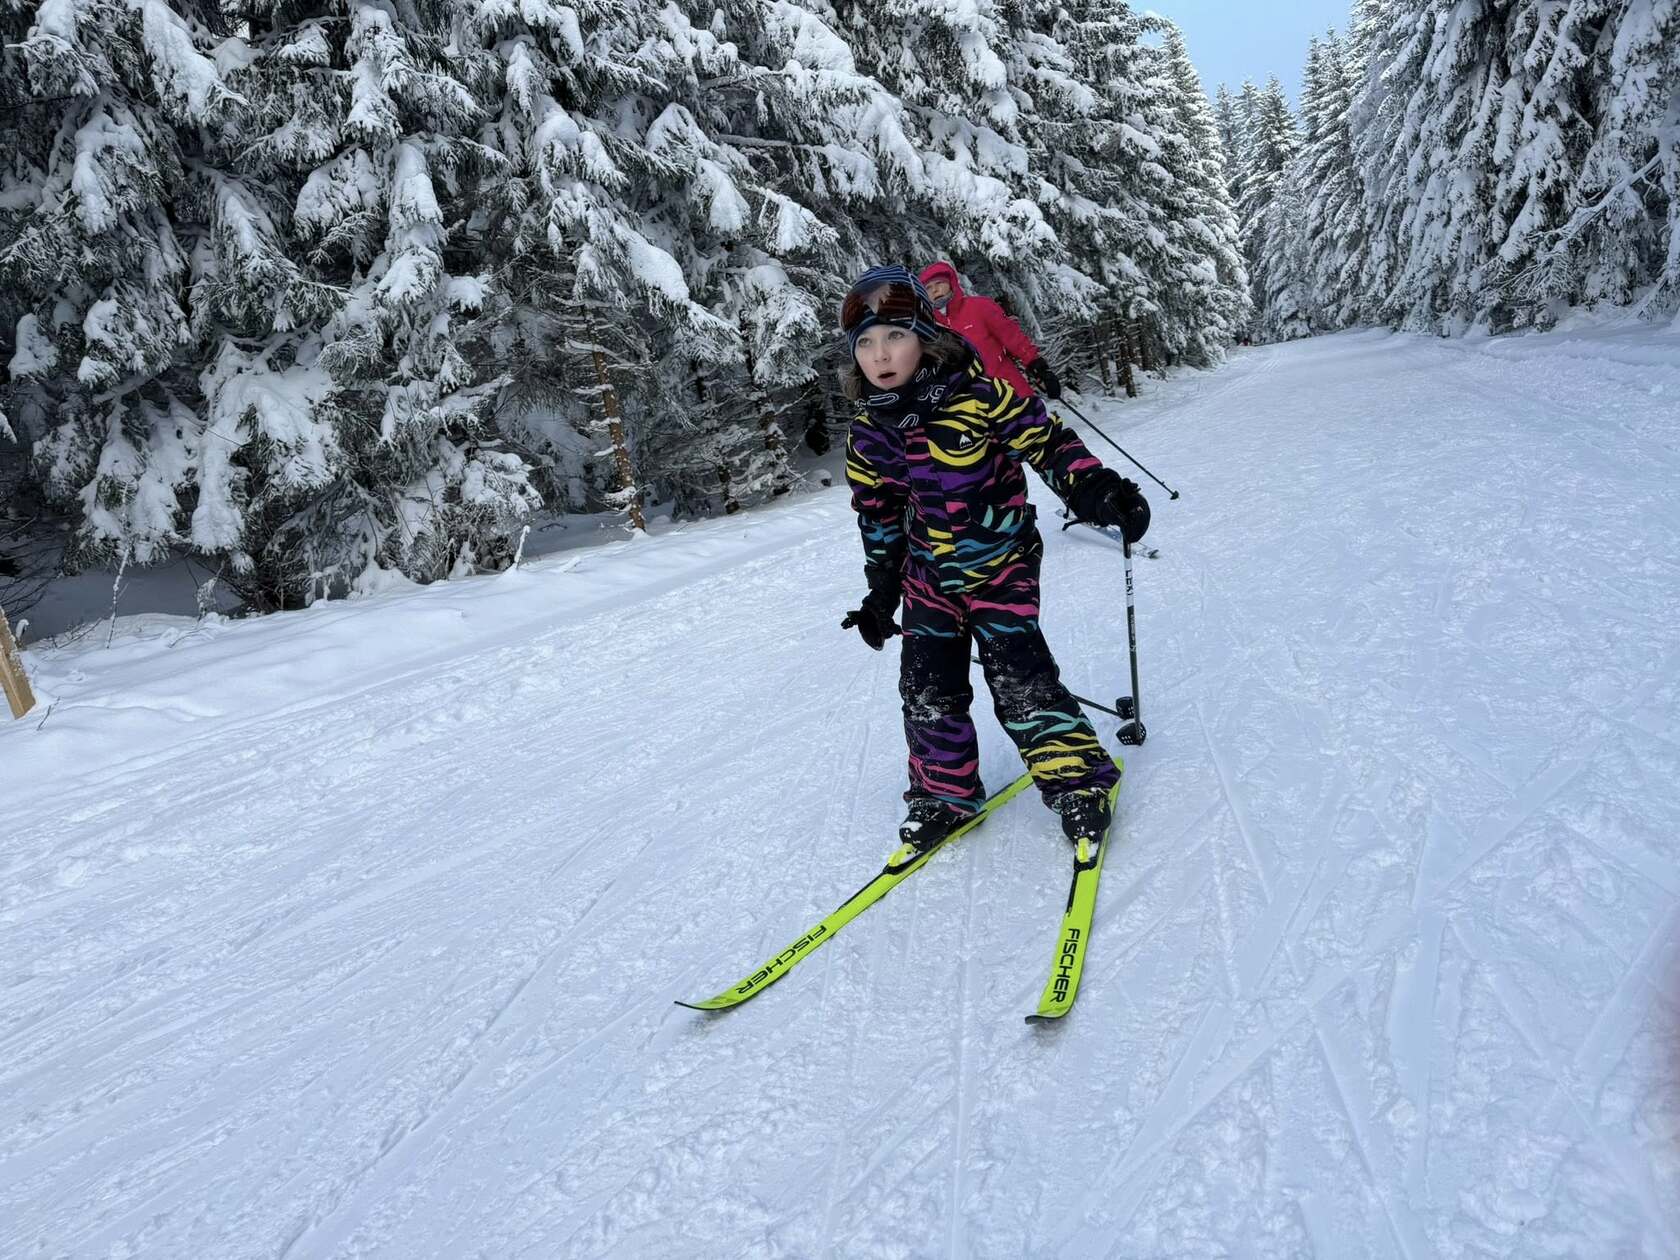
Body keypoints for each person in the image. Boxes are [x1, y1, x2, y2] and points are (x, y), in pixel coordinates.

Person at [836, 265, 1150, 851]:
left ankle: (1079, 782)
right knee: (927, 686)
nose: (880, 354)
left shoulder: (979, 396)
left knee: (1018, 676)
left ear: (925, 336)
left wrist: (1095, 489)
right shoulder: (868, 434)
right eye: (866, 342)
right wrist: (881, 593)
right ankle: (944, 795)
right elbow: (877, 515)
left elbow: (1049, 443)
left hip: (1001, 562)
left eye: (895, 336)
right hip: (927, 576)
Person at [918, 261, 1063, 402]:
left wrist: (1038, 367)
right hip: (973, 405)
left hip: (1011, 391)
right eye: (928, 288)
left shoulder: (979, 307)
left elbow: (1013, 338)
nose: (935, 290)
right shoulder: (931, 327)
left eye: (939, 283)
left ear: (951, 283)